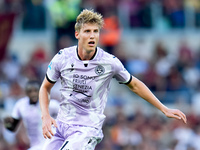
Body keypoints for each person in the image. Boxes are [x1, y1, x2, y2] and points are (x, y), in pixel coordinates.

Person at [39, 9, 187, 150]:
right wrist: (45, 115)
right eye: (87, 31)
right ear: (77, 34)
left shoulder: (109, 62)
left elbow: (134, 84)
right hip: (61, 126)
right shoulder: (62, 57)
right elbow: (45, 87)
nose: (92, 36)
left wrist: (163, 108)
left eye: (95, 31)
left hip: (86, 129)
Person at [3, 80, 59, 150]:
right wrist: (8, 124)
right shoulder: (21, 105)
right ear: (26, 92)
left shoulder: (51, 104)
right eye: (30, 91)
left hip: (51, 144)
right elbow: (12, 128)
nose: (33, 94)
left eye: (35, 91)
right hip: (34, 146)